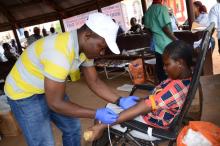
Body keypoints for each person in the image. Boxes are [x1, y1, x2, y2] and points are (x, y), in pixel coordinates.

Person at [4, 13, 138, 146]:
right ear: (87, 35)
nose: (102, 53)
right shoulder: (59, 53)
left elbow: (94, 81)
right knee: (44, 142)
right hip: (24, 94)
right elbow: (55, 103)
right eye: (101, 47)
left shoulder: (84, 49)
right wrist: (96, 113)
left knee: (72, 128)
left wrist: (119, 100)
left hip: (47, 88)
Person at [85, 40, 193, 141]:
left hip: (150, 126)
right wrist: (141, 100)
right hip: (155, 116)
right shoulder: (183, 80)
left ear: (180, 63)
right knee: (108, 108)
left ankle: (103, 134)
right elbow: (158, 100)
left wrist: (102, 126)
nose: (164, 68)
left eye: (167, 64)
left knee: (101, 120)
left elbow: (145, 107)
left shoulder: (173, 89)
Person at [144, 0, 178, 83]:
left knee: (160, 65)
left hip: (156, 42)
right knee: (170, 64)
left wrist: (154, 35)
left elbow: (147, 28)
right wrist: (175, 39)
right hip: (166, 42)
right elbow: (165, 27)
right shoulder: (162, 8)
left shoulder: (148, 10)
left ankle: (162, 85)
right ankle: (171, 85)